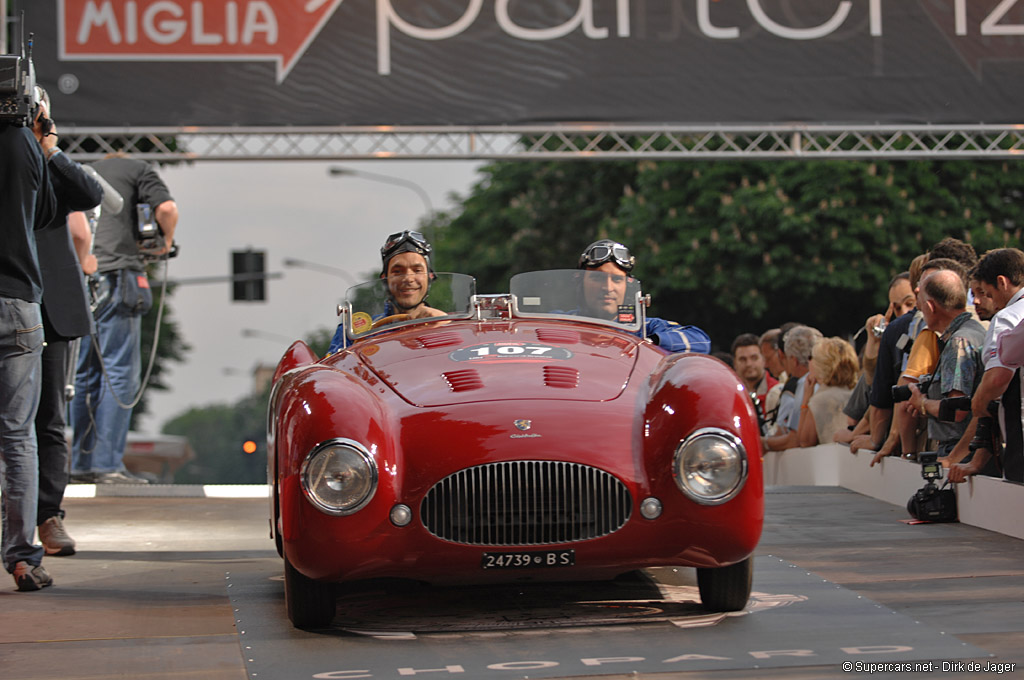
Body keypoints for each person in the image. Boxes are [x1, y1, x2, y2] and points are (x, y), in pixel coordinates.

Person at [70, 154, 179, 484]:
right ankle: (107, 465)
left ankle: (80, 463)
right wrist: (167, 242)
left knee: (85, 374)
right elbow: (166, 210)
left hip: (84, 276)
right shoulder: (139, 170)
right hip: (119, 276)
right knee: (118, 373)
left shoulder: (78, 171)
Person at [32, 89, 104, 554]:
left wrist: (49, 148)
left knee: (50, 420)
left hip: (51, 308)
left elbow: (89, 194)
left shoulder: (50, 165)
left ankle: (48, 517)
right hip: (10, 297)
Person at [0, 107, 57, 590]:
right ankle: (22, 558)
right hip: (18, 303)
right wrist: (42, 140)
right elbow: (46, 212)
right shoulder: (23, 142)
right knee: (18, 437)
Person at [872, 269, 985, 466]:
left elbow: (957, 410)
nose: (918, 309)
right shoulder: (975, 331)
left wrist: (922, 403)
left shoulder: (958, 343)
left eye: (919, 303)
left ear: (931, 307)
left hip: (958, 453)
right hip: (969, 451)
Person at [948, 248, 1024, 483]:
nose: (988, 301)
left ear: (1001, 282)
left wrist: (979, 403)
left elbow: (998, 378)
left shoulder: (1006, 317)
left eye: (987, 292)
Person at [576, 240, 710, 353]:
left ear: (627, 287)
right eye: (598, 278)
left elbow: (700, 341)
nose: (608, 288)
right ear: (580, 282)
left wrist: (649, 343)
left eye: (617, 280)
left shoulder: (643, 328)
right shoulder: (559, 322)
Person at [327, 230, 446, 353]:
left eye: (417, 270)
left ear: (430, 276)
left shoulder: (447, 324)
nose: (408, 279)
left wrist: (447, 327)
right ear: (384, 279)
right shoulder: (355, 333)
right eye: (398, 272)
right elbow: (337, 368)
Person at [763, 325, 822, 451]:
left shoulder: (804, 383)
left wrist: (763, 442)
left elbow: (794, 440)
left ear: (794, 360)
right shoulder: (832, 379)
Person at [797, 337, 859, 447]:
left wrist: (806, 399)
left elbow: (804, 441)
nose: (809, 362)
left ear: (822, 364)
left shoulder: (820, 399)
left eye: (812, 358)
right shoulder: (857, 392)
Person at [731, 332, 777, 421]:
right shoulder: (730, 394)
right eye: (742, 359)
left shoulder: (776, 390)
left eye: (754, 358)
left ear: (764, 359)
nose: (748, 364)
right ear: (735, 363)